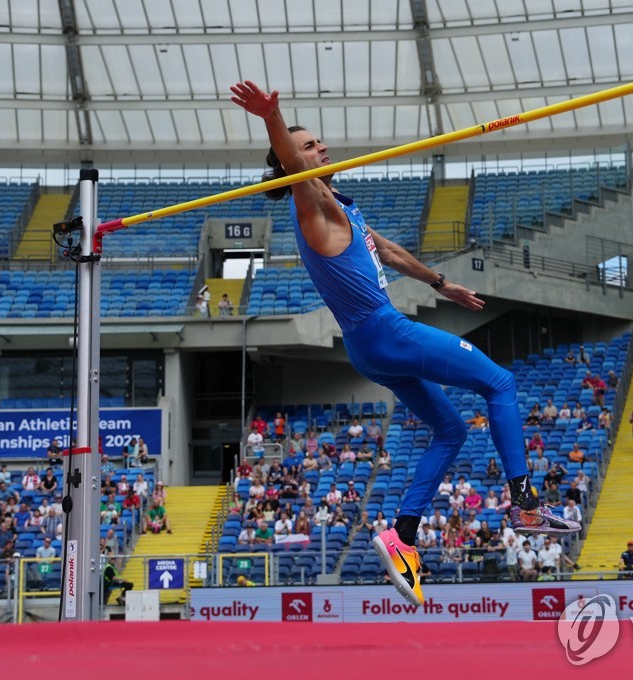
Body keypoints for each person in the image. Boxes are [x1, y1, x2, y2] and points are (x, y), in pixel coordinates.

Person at [231, 79, 579, 606]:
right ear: (290, 162)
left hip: (368, 346)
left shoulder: (341, 206)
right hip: (383, 331)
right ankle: (525, 503)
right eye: (309, 146)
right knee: (500, 383)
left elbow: (388, 252)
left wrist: (441, 283)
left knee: (451, 430)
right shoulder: (312, 204)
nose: (322, 148)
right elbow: (297, 168)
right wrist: (271, 118)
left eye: (319, 142)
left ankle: (403, 536)